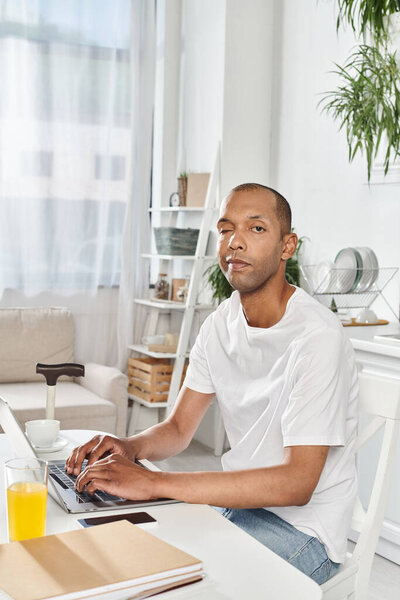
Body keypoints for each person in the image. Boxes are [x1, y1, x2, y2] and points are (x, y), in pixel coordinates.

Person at [66, 183, 358, 585]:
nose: (234, 242)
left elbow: (296, 484)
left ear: (287, 246)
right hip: (234, 509)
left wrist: (155, 482)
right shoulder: (220, 323)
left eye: (255, 229)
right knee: (114, 553)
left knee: (178, 586)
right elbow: (179, 429)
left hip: (302, 531)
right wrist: (130, 448)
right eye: (225, 229)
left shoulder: (317, 337)